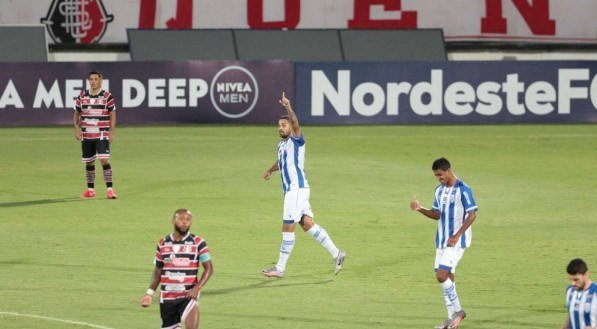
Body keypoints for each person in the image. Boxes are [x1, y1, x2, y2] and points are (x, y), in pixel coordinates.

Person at [261, 92, 346, 278]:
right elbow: (281, 162)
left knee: (287, 228)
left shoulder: (297, 140)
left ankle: (280, 268)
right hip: (296, 191)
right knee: (308, 225)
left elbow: (297, 124)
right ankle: (337, 254)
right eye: (279, 126)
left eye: (284, 125)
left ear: (291, 127)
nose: (281, 128)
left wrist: (288, 108)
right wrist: (269, 170)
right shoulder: (281, 145)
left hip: (296, 190)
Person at [410, 158, 478, 329]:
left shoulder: (463, 190)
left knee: (441, 276)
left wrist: (456, 235)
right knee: (448, 278)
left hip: (456, 241)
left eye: (440, 175)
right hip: (441, 241)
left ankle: (459, 311)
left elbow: (472, 215)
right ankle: (451, 321)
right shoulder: (439, 191)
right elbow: (436, 214)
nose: (438, 179)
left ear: (448, 171)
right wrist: (420, 209)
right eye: (436, 176)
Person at [140, 209, 214, 329]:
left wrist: (197, 288)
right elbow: (158, 270)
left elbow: (209, 269)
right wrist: (149, 293)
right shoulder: (162, 243)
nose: (184, 222)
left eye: (188, 220)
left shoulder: (198, 243)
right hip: (167, 297)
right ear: (173, 221)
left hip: (188, 295)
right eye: (181, 219)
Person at [73, 71, 117, 199]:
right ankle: (90, 190)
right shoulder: (82, 96)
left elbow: (112, 114)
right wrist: (76, 129)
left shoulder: (107, 96)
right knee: (89, 162)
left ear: (100, 81)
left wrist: (112, 132)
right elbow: (77, 113)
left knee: (104, 159)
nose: (93, 81)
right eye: (91, 79)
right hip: (87, 135)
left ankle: (110, 189)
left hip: (102, 133)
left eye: (95, 79)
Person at [563, 258, 597, 329]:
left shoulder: (595, 291)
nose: (573, 283)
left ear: (586, 274)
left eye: (576, 280)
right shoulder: (570, 290)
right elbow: (571, 314)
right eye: (571, 280)